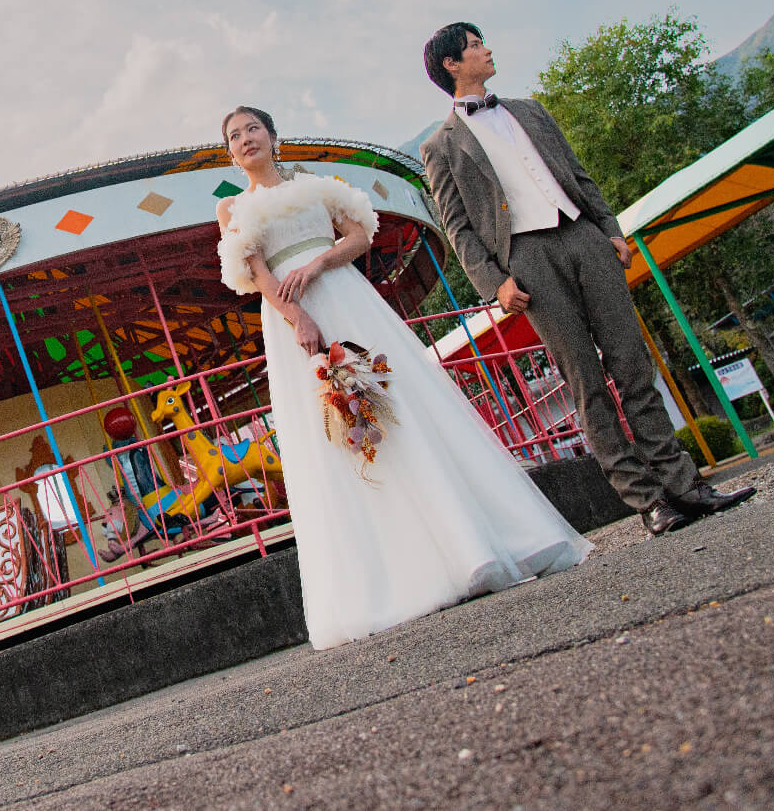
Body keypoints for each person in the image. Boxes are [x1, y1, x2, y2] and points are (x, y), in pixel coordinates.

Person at [216, 106, 589, 650]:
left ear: (274, 137)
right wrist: (299, 316)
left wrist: (317, 265)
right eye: (234, 136)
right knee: (340, 437)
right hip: (295, 319)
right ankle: (397, 577)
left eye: (253, 129)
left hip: (346, 297)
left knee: (404, 412)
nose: (245, 139)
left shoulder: (319, 185)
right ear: (230, 153)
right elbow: (255, 270)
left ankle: (472, 546)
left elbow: (358, 237)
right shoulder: (232, 206)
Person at [416, 23, 755, 536]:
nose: (488, 49)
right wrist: (495, 283)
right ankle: (648, 502)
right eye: (476, 45)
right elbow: (457, 225)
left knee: (633, 363)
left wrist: (609, 229)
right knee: (585, 381)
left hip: (584, 237)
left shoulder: (530, 110)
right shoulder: (440, 146)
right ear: (452, 64)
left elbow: (576, 173)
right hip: (526, 260)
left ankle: (687, 486)